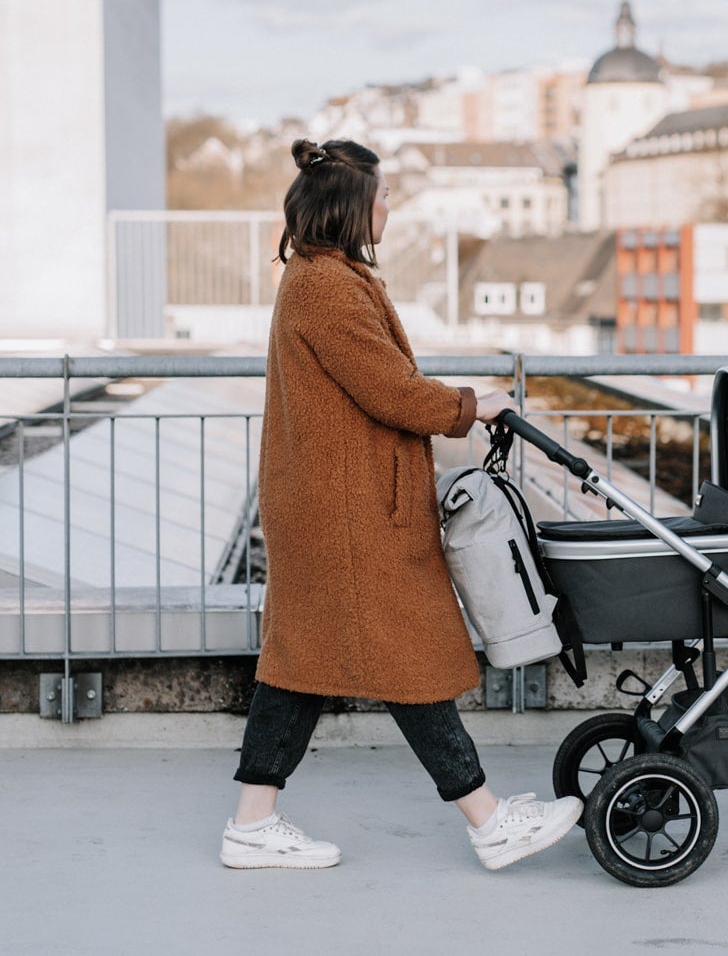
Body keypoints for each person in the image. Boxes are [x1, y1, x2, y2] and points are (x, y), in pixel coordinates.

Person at [219, 137, 581, 871]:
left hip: (337, 503)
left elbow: (376, 382)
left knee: (300, 663)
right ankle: (486, 820)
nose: (390, 209)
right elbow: (388, 389)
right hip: (346, 512)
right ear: (353, 206)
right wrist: (470, 406)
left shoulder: (324, 277)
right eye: (383, 198)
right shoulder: (325, 287)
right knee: (406, 653)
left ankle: (252, 822)